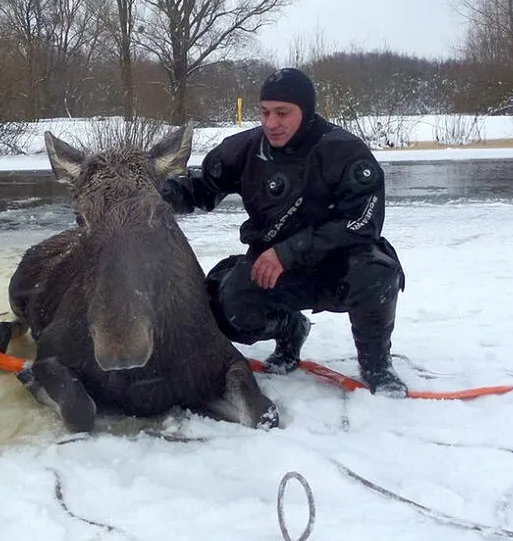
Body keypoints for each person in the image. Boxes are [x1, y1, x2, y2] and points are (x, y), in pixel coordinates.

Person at [160, 68, 409, 397]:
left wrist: (290, 251)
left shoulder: (344, 152)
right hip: (272, 269)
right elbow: (202, 189)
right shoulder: (244, 149)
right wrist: (157, 192)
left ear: (305, 111)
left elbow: (364, 222)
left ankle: (377, 365)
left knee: (377, 271)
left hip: (339, 267)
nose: (271, 123)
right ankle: (291, 329)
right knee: (225, 308)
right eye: (264, 112)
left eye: (282, 113)